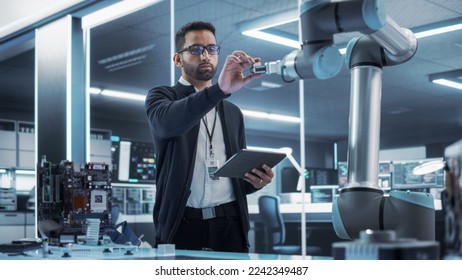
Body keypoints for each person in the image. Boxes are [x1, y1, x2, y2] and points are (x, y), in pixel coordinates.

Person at [145, 21, 274, 253]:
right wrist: (220, 90)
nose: (206, 55)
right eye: (196, 49)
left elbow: (234, 179)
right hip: (183, 226)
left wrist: (255, 182)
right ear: (178, 59)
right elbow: (168, 124)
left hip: (231, 225)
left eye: (212, 49)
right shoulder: (162, 97)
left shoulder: (233, 114)